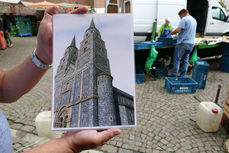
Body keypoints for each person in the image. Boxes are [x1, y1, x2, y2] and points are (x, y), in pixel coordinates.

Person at [0, 6, 121, 153]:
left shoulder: (90, 59)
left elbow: (3, 86)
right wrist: (69, 144)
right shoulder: (74, 66)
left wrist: (43, 53)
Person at [169, 9, 197, 77]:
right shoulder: (194, 20)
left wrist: (171, 32)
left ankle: (174, 74)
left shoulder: (184, 19)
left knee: (177, 59)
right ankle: (182, 75)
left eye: (180, 16)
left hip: (183, 43)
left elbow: (179, 29)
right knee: (185, 60)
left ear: (183, 14)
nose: (180, 18)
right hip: (191, 44)